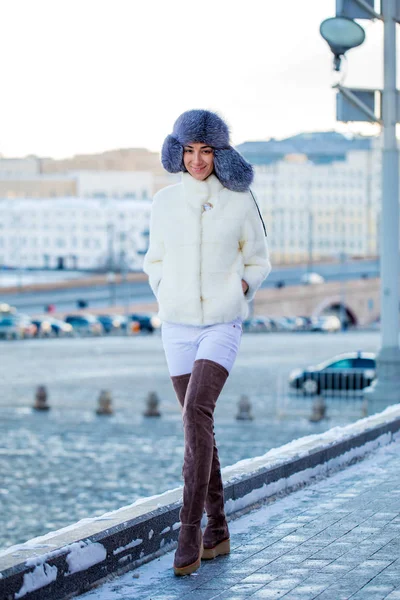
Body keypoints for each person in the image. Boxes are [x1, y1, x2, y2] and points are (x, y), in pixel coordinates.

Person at [143, 109, 271, 576]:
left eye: (207, 151)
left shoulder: (240, 201)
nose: (198, 161)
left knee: (197, 412)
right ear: (177, 151)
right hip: (176, 324)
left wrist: (236, 291)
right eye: (190, 150)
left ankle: (189, 530)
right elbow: (152, 260)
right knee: (200, 427)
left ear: (220, 153)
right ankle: (218, 526)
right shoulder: (164, 202)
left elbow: (259, 262)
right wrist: (164, 289)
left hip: (221, 322)